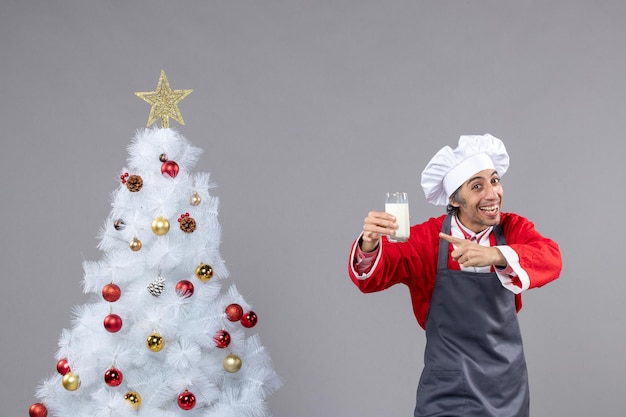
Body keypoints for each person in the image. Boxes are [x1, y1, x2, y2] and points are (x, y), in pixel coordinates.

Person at [348, 134, 562, 417]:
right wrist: (370, 242)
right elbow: (372, 277)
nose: (492, 194)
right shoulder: (428, 238)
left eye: (495, 181)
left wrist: (496, 255)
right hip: (447, 387)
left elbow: (551, 258)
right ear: (454, 199)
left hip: (505, 386)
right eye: (477, 186)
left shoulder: (512, 229)